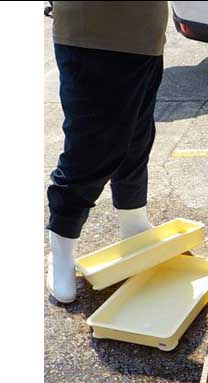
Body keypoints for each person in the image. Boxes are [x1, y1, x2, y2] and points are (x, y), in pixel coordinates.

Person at [46, 1, 168, 303]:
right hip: (92, 35)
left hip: (147, 35)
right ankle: (61, 244)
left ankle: (134, 221)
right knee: (90, 148)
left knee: (137, 138)